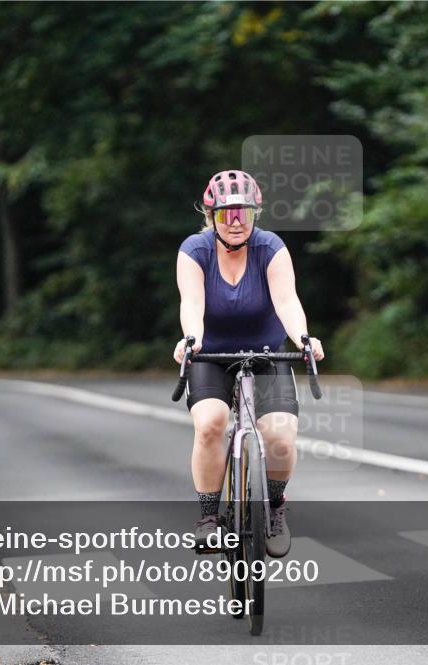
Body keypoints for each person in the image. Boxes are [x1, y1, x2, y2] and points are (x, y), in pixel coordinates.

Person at [174, 169, 324, 558]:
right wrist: (192, 340)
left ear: (256, 214)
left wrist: (304, 338)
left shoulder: (271, 247)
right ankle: (209, 516)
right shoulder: (194, 250)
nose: (236, 222)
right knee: (210, 425)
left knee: (280, 438)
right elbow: (191, 304)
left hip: (268, 353)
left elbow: (287, 300)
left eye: (244, 213)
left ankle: (274, 508)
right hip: (211, 354)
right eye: (227, 214)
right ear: (212, 217)